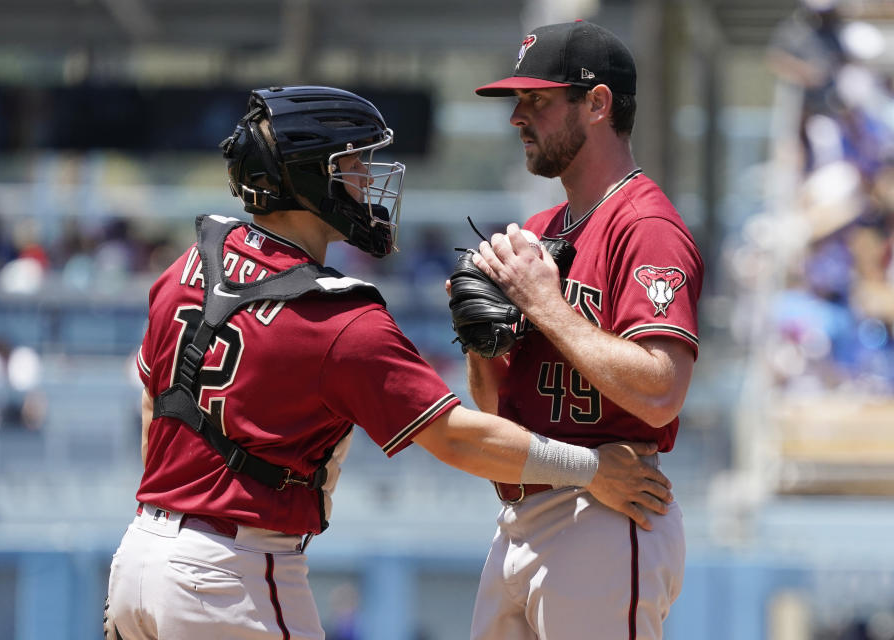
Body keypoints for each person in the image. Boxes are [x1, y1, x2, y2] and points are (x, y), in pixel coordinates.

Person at [103, 85, 674, 640]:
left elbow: (156, 403)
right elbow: (455, 438)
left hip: (138, 559)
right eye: (353, 164)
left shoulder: (187, 268)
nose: (366, 181)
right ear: (309, 174)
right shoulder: (337, 315)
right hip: (231, 575)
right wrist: (592, 469)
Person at [466, 20, 703, 640]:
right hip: (521, 513)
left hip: (602, 516)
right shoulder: (541, 228)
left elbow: (661, 392)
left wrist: (544, 305)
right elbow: (496, 409)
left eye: (538, 100)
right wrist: (479, 343)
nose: (518, 116)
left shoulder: (645, 226)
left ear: (597, 103)